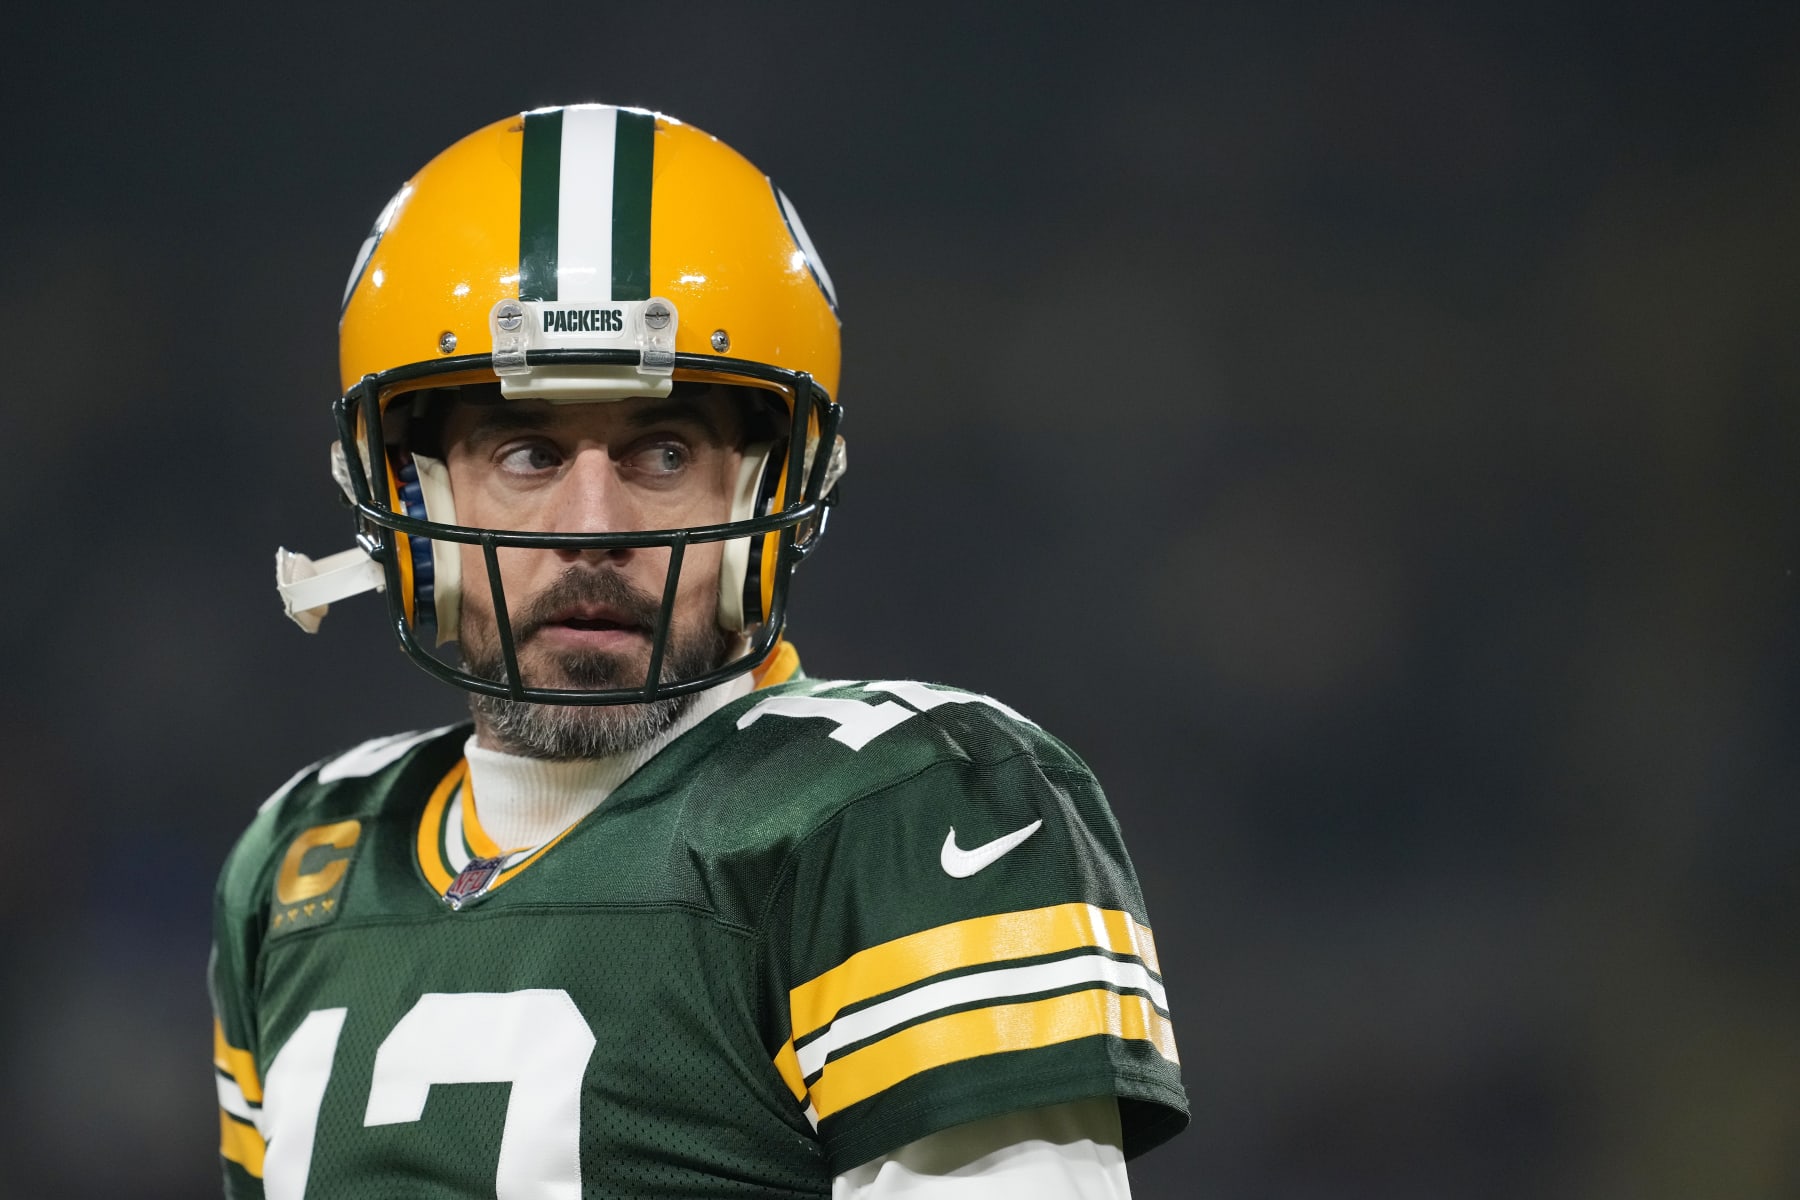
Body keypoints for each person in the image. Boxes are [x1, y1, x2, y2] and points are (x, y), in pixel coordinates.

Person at [210, 104, 1186, 1198]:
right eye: (527, 453)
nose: (592, 528)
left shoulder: (904, 810)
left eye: (663, 452)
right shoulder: (303, 856)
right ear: (411, 503)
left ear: (767, 493)